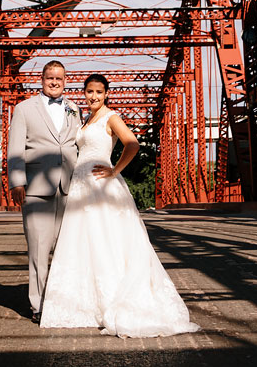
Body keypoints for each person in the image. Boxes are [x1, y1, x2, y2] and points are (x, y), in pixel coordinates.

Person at [39, 73, 197, 338]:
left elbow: (132, 144)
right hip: (81, 185)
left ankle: (111, 299)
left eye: (99, 92)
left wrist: (114, 171)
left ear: (107, 94)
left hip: (101, 185)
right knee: (84, 241)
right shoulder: (86, 118)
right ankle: (85, 305)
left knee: (105, 240)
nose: (94, 97)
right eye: (89, 92)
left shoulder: (111, 117)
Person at [7, 60, 82, 322]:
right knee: (39, 249)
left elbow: (75, 145)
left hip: (69, 187)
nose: (54, 82)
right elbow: (15, 148)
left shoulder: (74, 108)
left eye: (59, 78)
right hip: (36, 188)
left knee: (65, 249)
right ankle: (38, 306)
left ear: (65, 80)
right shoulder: (24, 109)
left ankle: (61, 300)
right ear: (42, 79)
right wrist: (17, 182)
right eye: (50, 77)